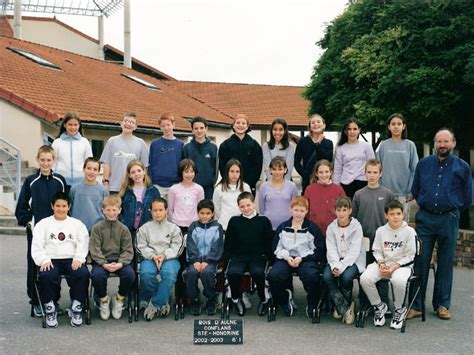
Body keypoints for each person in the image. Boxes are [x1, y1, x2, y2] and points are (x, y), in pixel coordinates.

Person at [408, 128, 472, 321]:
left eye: (446, 141)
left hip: (448, 219)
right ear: (435, 144)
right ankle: (416, 305)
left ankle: (442, 305)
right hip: (425, 219)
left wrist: (453, 210)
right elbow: (416, 190)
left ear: (453, 143)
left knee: (445, 263)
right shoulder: (423, 164)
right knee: (420, 261)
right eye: (439, 141)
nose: (442, 145)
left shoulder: (462, 166)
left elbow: (467, 196)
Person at [15, 145, 66, 316]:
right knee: (35, 265)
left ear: (54, 161)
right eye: (42, 160)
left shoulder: (59, 181)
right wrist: (29, 222)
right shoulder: (31, 181)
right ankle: (36, 301)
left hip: (56, 232)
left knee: (54, 265)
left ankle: (53, 300)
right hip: (36, 232)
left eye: (49, 160)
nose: (45, 163)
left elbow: (66, 205)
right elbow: (21, 207)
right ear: (38, 160)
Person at [31, 192, 90, 328]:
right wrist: (43, 260)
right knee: (46, 275)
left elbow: (83, 243)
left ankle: (76, 305)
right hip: (51, 259)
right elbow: (37, 245)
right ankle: (50, 307)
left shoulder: (77, 224)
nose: (61, 209)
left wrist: (79, 258)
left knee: (82, 273)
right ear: (52, 206)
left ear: (69, 207)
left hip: (71, 259)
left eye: (64, 206)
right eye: (58, 206)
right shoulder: (43, 224)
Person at [360, 200, 416, 330]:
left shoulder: (409, 232)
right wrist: (381, 263)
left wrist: (394, 267)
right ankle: (379, 306)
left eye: (398, 213)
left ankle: (399, 310)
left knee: (398, 280)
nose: (395, 217)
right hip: (384, 264)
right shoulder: (380, 231)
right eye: (392, 214)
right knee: (365, 278)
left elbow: (410, 256)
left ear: (403, 214)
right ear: (386, 216)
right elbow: (377, 251)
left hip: (402, 266)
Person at [269, 196, 325, 318]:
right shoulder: (283, 227)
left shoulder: (312, 228)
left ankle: (312, 302)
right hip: (286, 258)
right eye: (296, 210)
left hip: (305, 259)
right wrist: (286, 257)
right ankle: (284, 299)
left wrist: (302, 258)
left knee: (312, 276)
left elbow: (318, 250)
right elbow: (276, 248)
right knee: (274, 275)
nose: (298, 213)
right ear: (291, 210)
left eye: (302, 210)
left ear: (306, 211)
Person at [224, 192, 273, 316]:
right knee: (233, 273)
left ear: (254, 204)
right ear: (238, 207)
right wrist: (227, 258)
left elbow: (268, 242)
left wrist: (269, 258)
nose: (246, 208)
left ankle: (263, 298)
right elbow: (229, 242)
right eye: (242, 206)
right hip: (239, 256)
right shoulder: (234, 221)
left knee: (258, 273)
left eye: (248, 205)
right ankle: (235, 298)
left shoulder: (263, 220)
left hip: (257, 256)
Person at [137, 198, 184, 321]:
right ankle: (164, 298)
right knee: (146, 274)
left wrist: (164, 256)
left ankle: (155, 303)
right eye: (155, 210)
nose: (158, 213)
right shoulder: (144, 228)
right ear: (151, 211)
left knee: (168, 273)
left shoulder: (174, 228)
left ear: (166, 211)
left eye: (160, 210)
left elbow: (177, 246)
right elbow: (140, 246)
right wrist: (153, 256)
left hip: (169, 258)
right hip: (150, 258)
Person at [90, 195, 135, 321]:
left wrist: (121, 263)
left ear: (119, 210)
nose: (111, 213)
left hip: (119, 261)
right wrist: (103, 263)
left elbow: (127, 250)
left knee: (130, 274)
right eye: (108, 210)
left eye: (114, 210)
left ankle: (119, 298)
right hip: (102, 261)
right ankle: (104, 300)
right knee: (97, 275)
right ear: (103, 210)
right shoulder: (97, 228)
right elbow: (95, 248)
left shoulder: (124, 229)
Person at [324, 196, 365, 325]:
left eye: (344, 210)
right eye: (339, 210)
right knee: (327, 276)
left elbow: (354, 251)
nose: (341, 213)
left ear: (350, 211)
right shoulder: (331, 228)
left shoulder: (356, 227)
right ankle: (345, 307)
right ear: (335, 211)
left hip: (353, 260)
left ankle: (340, 307)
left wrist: (341, 267)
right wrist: (335, 266)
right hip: (335, 260)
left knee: (346, 277)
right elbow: (331, 249)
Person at [184, 199, 224, 316]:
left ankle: (211, 297)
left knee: (207, 273)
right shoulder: (193, 226)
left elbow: (217, 246)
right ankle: (195, 298)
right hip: (195, 260)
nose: (205, 216)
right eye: (202, 213)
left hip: (211, 260)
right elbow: (191, 244)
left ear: (212, 214)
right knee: (190, 273)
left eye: (207, 213)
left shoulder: (217, 227)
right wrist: (195, 260)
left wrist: (208, 261)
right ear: (198, 213)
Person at [377, 113, 419, 221]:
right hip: (385, 192)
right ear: (388, 126)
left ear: (403, 126)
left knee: (401, 225)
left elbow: (415, 170)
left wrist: (411, 191)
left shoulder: (410, 145)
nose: (396, 126)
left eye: (399, 124)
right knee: (385, 224)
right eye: (393, 124)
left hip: (404, 194)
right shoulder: (383, 145)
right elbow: (377, 169)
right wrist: (379, 188)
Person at [100, 112, 149, 194]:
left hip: (133, 188)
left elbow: (144, 167)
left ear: (135, 127)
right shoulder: (112, 141)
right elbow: (107, 163)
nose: (128, 124)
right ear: (121, 123)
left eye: (132, 122)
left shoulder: (141, 143)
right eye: (126, 121)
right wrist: (105, 181)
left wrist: (142, 185)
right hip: (114, 187)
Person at [352, 159, 396, 247]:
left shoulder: (388, 194)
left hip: (384, 238)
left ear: (380, 174)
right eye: (369, 172)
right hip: (363, 238)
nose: (372, 175)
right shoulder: (358, 194)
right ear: (365, 173)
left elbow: (393, 216)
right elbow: (353, 218)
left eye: (375, 172)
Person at [218, 114, 262, 195]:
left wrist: (249, 182)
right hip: (230, 185)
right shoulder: (225, 145)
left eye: (243, 123)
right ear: (233, 125)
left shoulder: (254, 145)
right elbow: (222, 165)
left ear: (248, 126)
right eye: (238, 123)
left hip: (249, 184)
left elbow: (257, 166)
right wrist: (230, 180)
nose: (240, 125)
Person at [333, 117, 375, 198]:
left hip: (363, 182)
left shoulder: (366, 146)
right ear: (345, 131)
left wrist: (372, 183)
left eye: (355, 129)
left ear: (359, 130)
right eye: (349, 129)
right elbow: (337, 170)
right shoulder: (340, 148)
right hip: (346, 184)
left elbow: (372, 166)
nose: (352, 132)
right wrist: (336, 187)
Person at [118, 160, 160, 240]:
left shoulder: (153, 191)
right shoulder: (125, 192)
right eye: (133, 172)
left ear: (144, 171)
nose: (137, 174)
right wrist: (123, 223)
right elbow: (119, 211)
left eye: (139, 170)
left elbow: (158, 210)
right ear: (129, 175)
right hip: (129, 232)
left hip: (148, 232)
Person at [304, 159, 346, 237]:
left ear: (331, 172)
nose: (324, 175)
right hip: (314, 231)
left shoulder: (338, 189)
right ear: (316, 173)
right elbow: (305, 210)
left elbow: (344, 211)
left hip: (334, 232)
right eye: (321, 172)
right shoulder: (309, 189)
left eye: (326, 172)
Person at [52, 112, 93, 187]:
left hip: (81, 182)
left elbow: (89, 162)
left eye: (75, 125)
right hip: (60, 181)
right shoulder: (57, 142)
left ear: (79, 125)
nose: (73, 127)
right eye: (70, 124)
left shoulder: (84, 142)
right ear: (65, 125)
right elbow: (53, 162)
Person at [148, 112, 184, 199]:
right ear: (160, 127)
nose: (166, 128)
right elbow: (150, 163)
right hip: (158, 186)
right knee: (159, 211)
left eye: (168, 125)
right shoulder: (155, 144)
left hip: (175, 185)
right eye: (163, 126)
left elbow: (183, 166)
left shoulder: (180, 145)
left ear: (173, 125)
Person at [295, 114, 333, 193]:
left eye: (318, 122)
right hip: (307, 180)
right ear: (310, 127)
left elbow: (328, 160)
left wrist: (318, 144)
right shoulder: (303, 141)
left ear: (324, 125)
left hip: (323, 179)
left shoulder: (328, 143)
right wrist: (304, 174)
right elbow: (296, 161)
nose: (316, 124)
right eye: (313, 123)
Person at [69, 157, 108, 233]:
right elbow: (70, 208)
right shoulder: (74, 189)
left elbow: (105, 211)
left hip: (97, 231)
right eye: (89, 168)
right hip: (77, 230)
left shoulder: (103, 191)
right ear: (84, 169)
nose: (91, 172)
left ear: (98, 172)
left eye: (95, 169)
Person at [258, 157, 298, 230]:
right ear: (270, 170)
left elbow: (295, 207)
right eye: (274, 169)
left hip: (287, 226)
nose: (277, 172)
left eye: (280, 169)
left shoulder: (292, 186)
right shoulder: (264, 187)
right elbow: (261, 209)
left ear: (285, 170)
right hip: (268, 227)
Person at [183, 116, 218, 200]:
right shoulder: (187, 147)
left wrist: (212, 181)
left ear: (206, 129)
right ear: (192, 130)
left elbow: (216, 168)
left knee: (206, 211)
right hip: (191, 186)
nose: (199, 131)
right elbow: (183, 168)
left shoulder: (213, 147)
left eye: (201, 128)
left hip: (208, 188)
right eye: (196, 128)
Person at [167, 159, 205, 234]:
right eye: (186, 171)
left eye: (192, 171)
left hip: (194, 225)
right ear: (181, 173)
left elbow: (201, 208)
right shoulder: (173, 189)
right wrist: (174, 222)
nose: (189, 174)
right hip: (177, 225)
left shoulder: (199, 189)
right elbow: (170, 209)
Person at [212, 159, 251, 231]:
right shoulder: (219, 188)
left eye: (237, 171)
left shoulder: (246, 187)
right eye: (232, 171)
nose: (234, 174)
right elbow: (216, 208)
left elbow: (250, 207)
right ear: (227, 172)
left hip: (242, 226)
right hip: (224, 226)